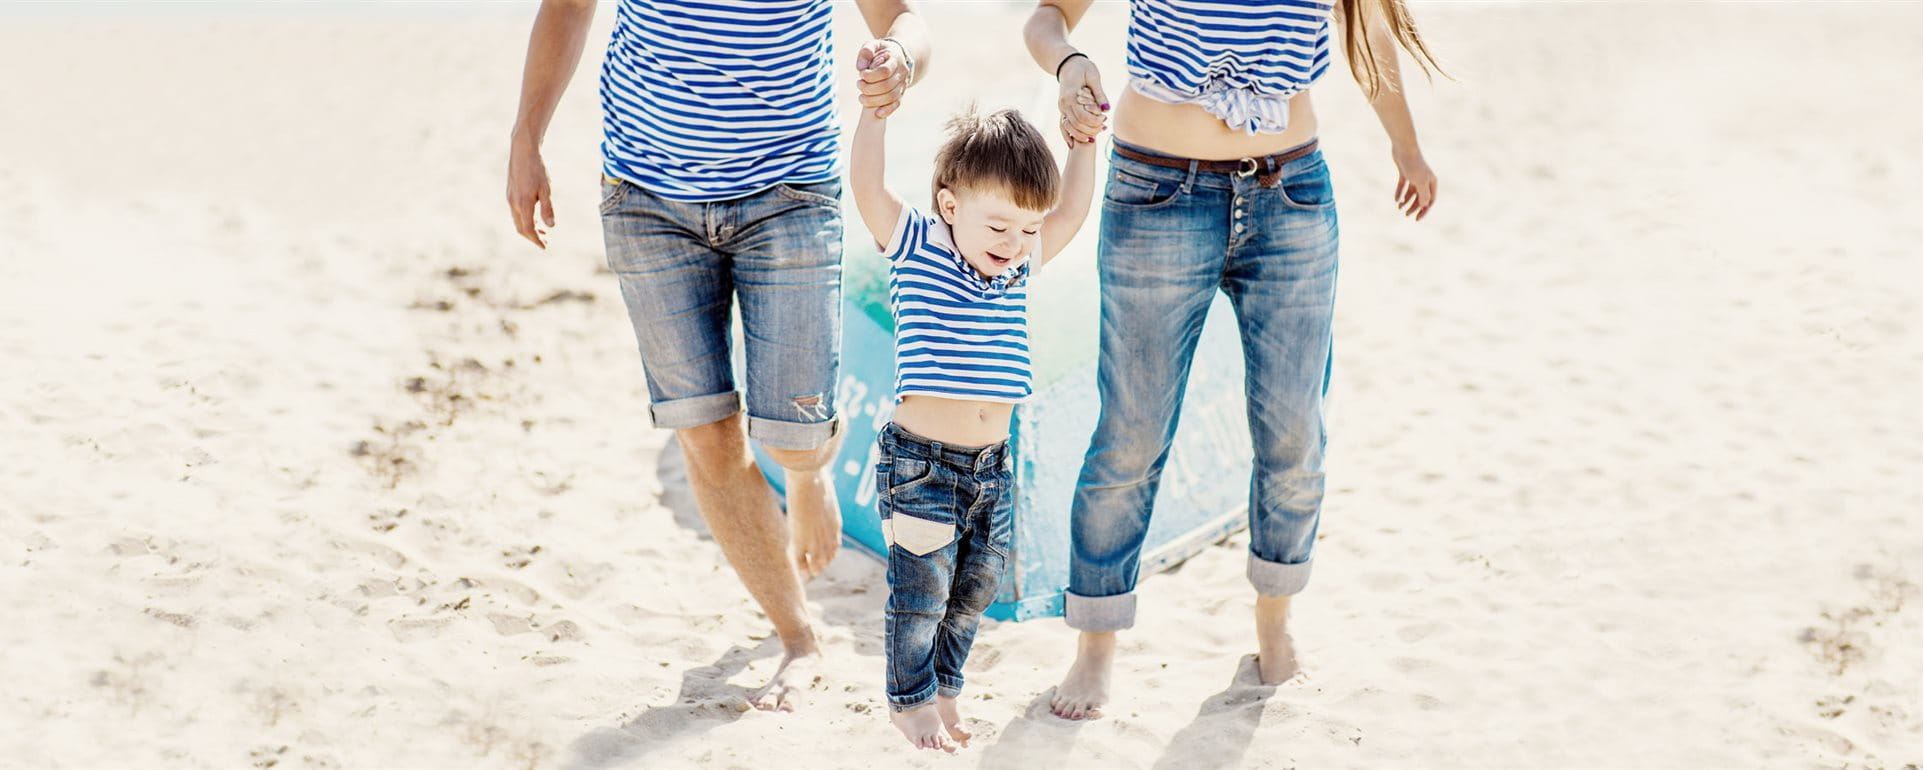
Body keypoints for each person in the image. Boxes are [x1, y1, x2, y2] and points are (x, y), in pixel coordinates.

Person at [504, 0, 931, 712]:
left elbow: (904, 17)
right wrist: (527, 138)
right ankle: (799, 637)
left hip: (787, 195)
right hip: (647, 199)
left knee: (795, 435)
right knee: (705, 432)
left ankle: (803, 470)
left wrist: (901, 58)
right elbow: (570, 7)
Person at [1024, 0, 1445, 719]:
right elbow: (1047, 18)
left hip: (1291, 195)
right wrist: (1071, 66)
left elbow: (1370, 32)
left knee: (1292, 429)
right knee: (1133, 433)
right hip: (1156, 191)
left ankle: (1274, 629)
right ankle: (1094, 649)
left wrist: (1406, 147)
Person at [848, 45, 1098, 748]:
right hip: (921, 462)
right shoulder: (918, 245)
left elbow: (1073, 212)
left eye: (1025, 229)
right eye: (998, 227)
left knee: (975, 590)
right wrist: (876, 114)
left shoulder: (1019, 267)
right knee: (921, 592)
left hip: (993, 465)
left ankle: (947, 690)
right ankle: (909, 701)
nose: (1016, 243)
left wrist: (1083, 144)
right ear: (951, 206)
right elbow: (867, 188)